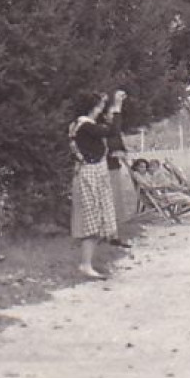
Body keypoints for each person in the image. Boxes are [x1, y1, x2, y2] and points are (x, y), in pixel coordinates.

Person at [68, 90, 121, 279]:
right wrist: (116, 109)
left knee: (96, 219)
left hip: (93, 172)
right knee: (91, 220)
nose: (101, 108)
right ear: (93, 106)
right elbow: (112, 132)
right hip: (90, 174)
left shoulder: (81, 125)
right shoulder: (85, 125)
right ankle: (85, 264)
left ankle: (87, 263)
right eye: (100, 104)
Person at [101, 88, 135, 248]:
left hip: (114, 168)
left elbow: (120, 148)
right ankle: (107, 234)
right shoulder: (103, 132)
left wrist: (121, 153)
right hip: (105, 169)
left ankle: (114, 233)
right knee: (109, 201)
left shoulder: (113, 133)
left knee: (116, 201)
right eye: (110, 115)